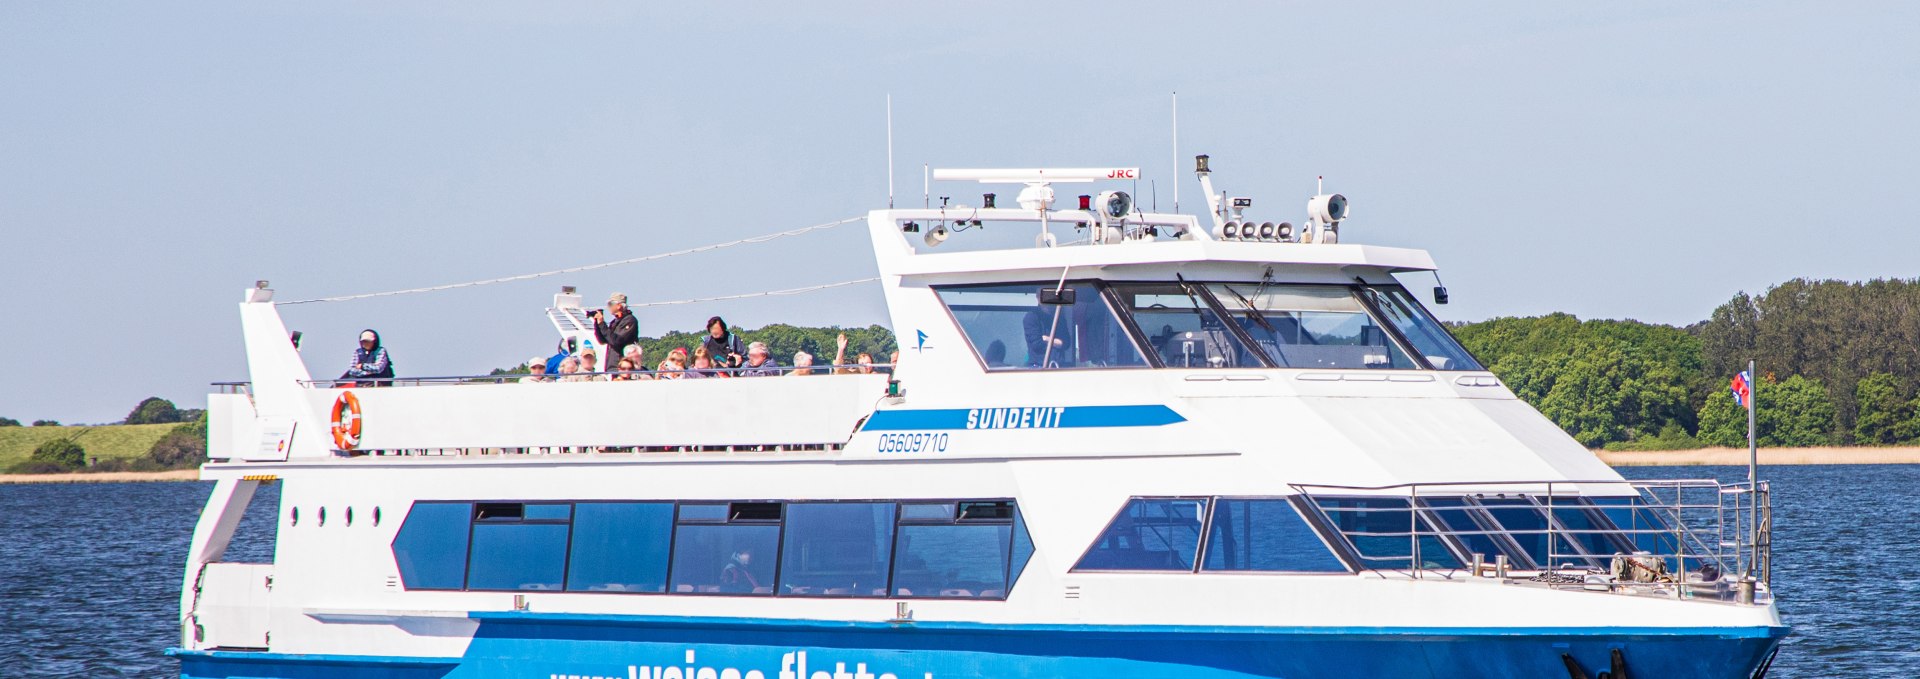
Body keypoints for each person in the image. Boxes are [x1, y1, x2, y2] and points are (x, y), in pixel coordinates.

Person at [591, 293, 639, 367]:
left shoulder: (630, 320)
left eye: (610, 304)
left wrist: (602, 324)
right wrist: (597, 323)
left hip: (624, 367)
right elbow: (602, 340)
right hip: (611, 365)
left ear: (619, 305)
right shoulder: (615, 322)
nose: (608, 307)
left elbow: (617, 341)